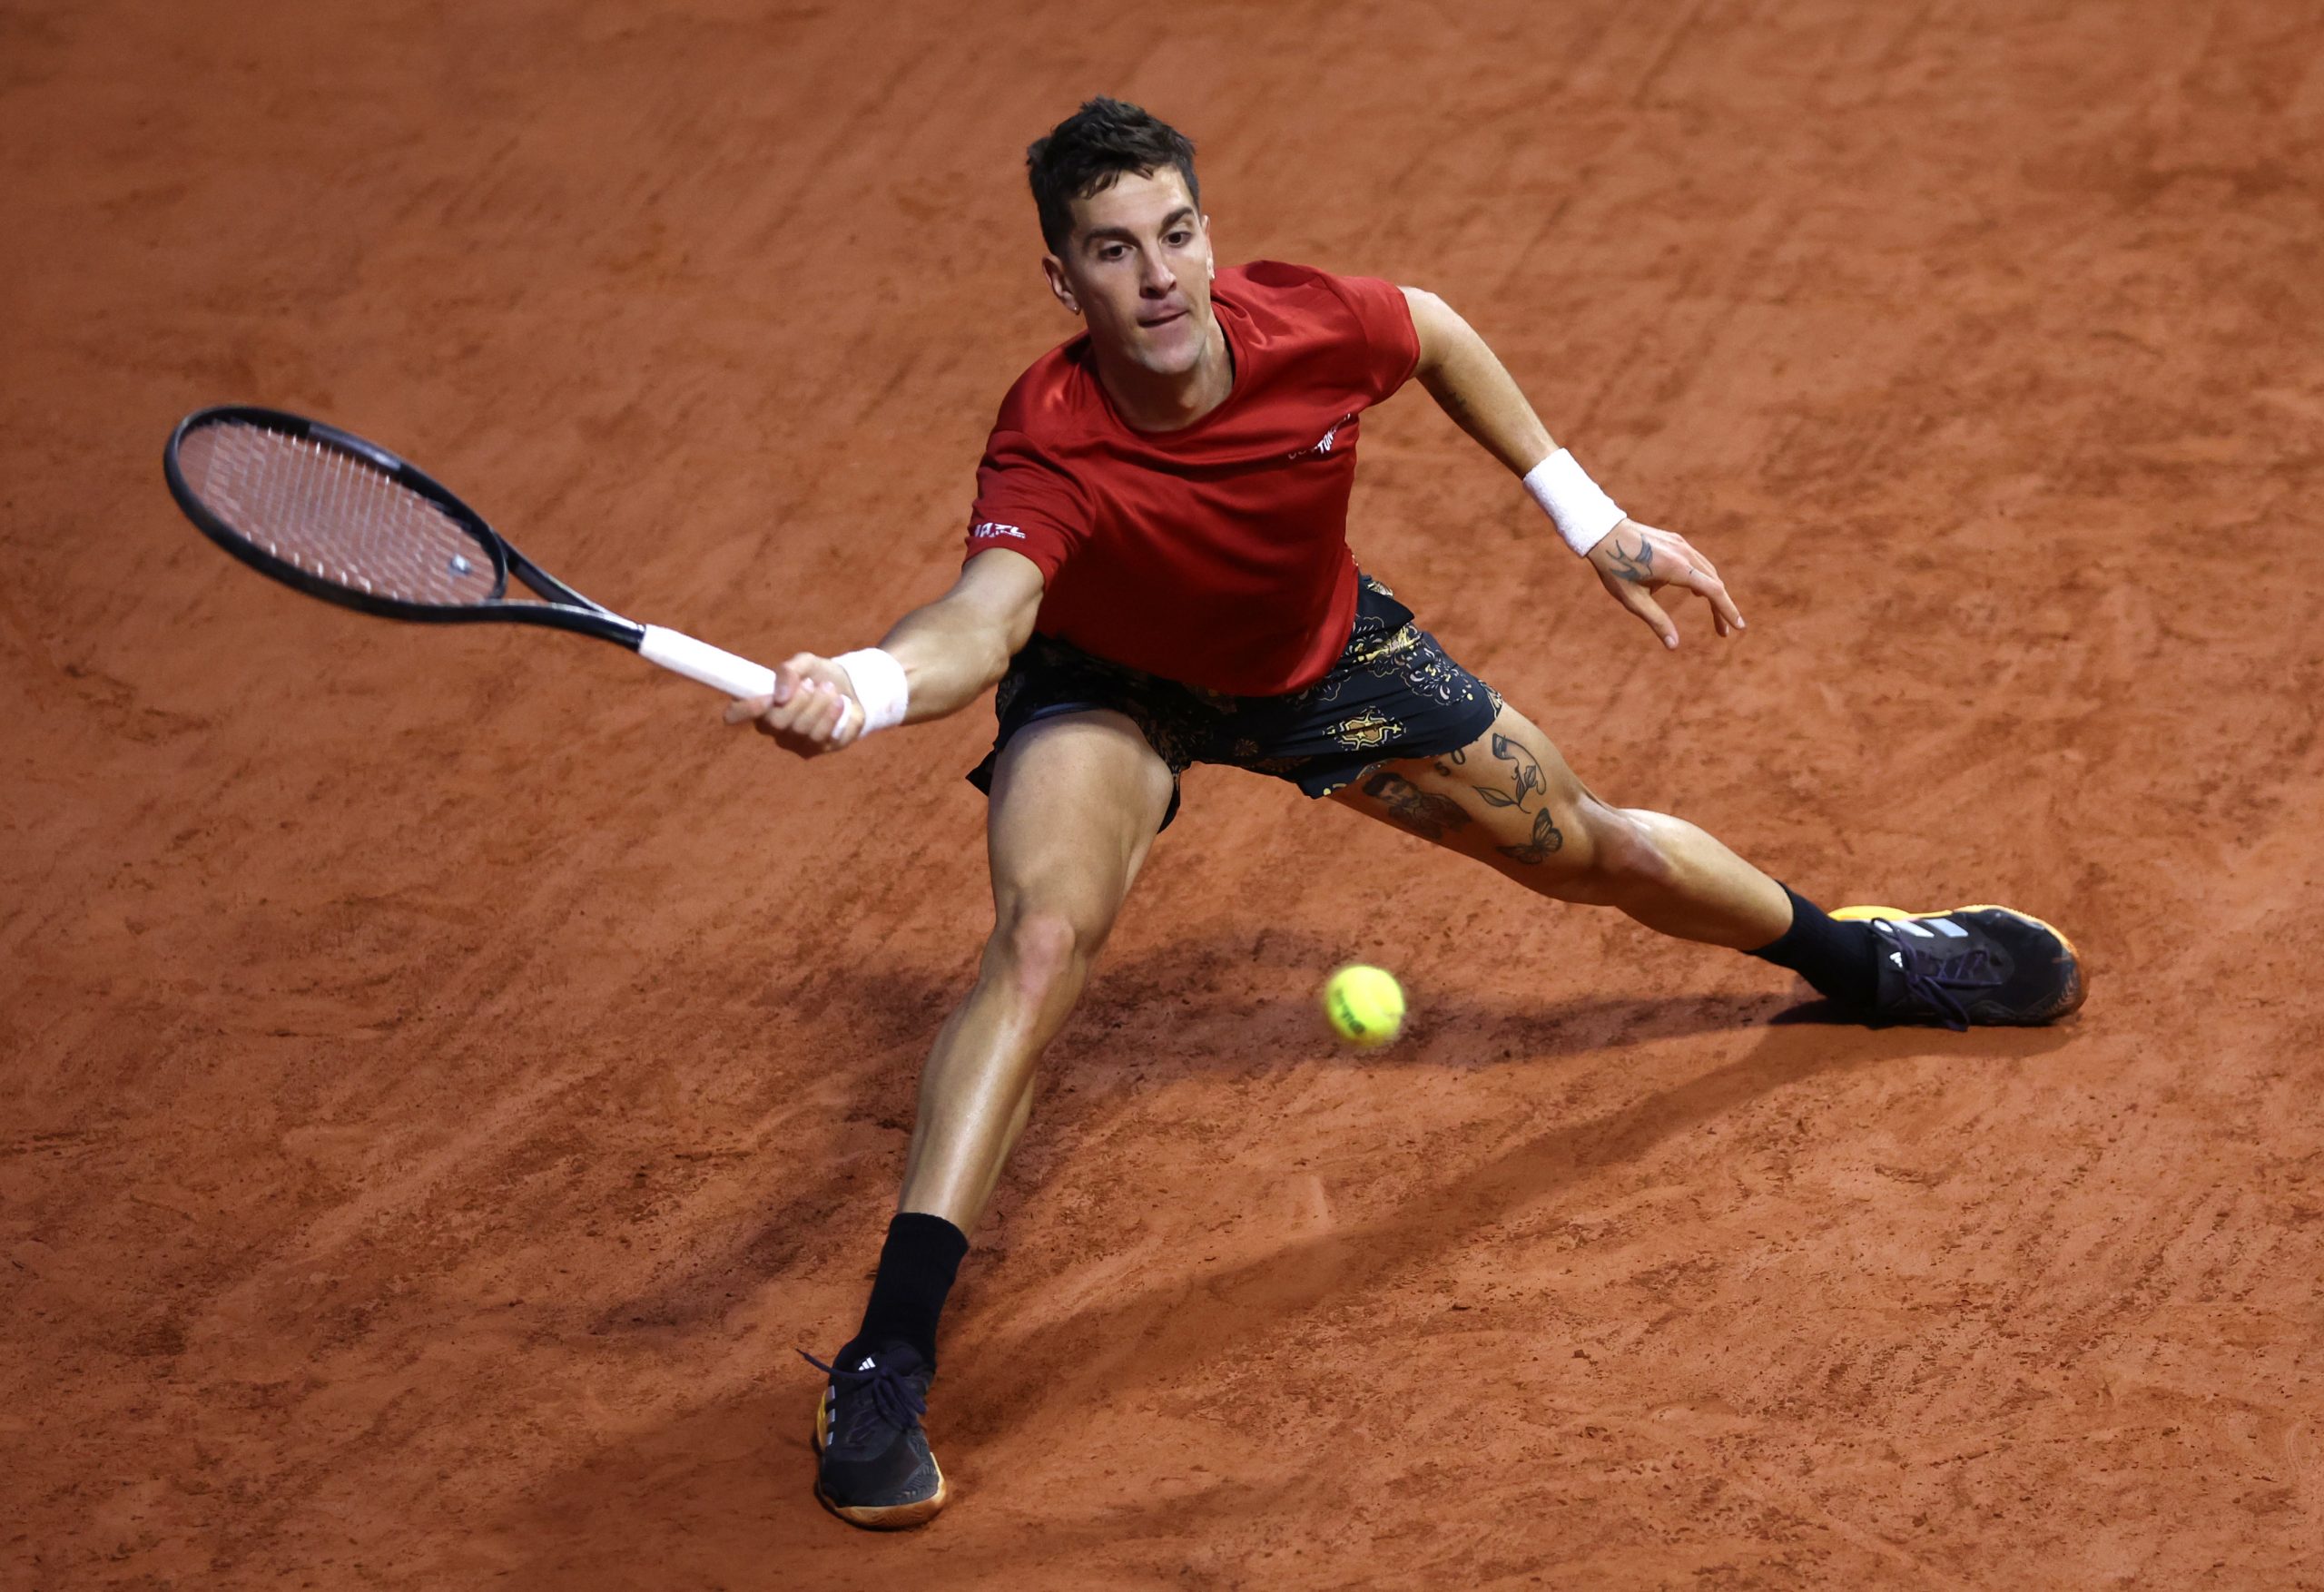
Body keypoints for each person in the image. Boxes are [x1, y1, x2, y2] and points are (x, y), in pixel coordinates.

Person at [727, 97, 2085, 1529]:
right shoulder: (1052, 441)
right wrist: (870, 685)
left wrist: (1587, 514)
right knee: (1043, 943)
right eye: (1114, 253)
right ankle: (884, 1355)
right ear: (1064, 283)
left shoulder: (1309, 327)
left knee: (1594, 849)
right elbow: (984, 621)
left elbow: (1430, 327)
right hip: (1114, 687)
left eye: (1177, 235)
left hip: (1324, 665)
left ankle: (1863, 961)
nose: (1159, 279)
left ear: (1207, 233)